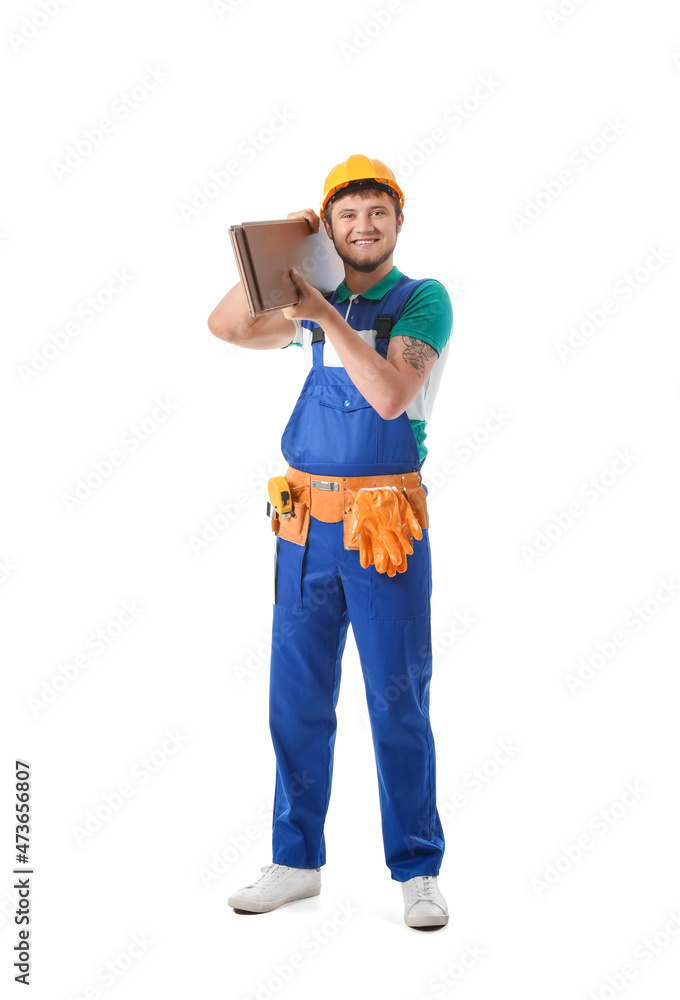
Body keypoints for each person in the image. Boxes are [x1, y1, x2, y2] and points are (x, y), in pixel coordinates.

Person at [208, 154, 453, 929]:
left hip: (385, 526)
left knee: (397, 699)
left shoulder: (422, 302)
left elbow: (388, 396)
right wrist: (285, 256)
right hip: (304, 526)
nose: (363, 226)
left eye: (376, 212)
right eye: (346, 216)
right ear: (334, 226)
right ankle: (294, 860)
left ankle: (417, 867)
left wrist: (325, 313)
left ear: (398, 220)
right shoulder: (310, 304)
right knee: (297, 698)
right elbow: (223, 325)